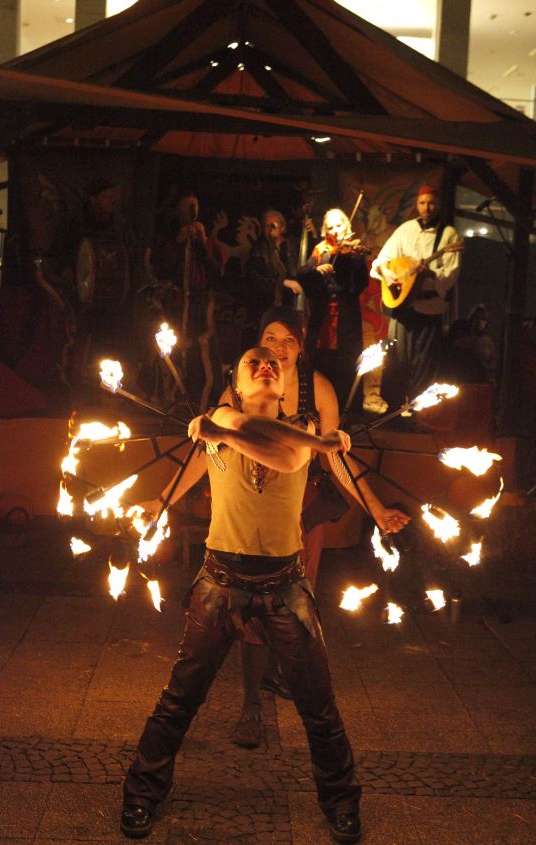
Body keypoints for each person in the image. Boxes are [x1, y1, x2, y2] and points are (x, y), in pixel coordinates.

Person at [121, 347, 363, 843]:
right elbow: (250, 432)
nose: (266, 365)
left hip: (285, 584)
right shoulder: (224, 414)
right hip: (221, 580)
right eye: (254, 361)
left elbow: (287, 456)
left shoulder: (295, 429)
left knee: (318, 705)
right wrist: (164, 495)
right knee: (180, 697)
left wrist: (308, 440)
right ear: (236, 383)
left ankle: (341, 803)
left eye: (274, 362)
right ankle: (141, 792)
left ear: (286, 383)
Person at [222, 307, 410, 750]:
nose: (278, 348)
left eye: (289, 340)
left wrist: (376, 509)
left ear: (301, 348)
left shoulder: (317, 388)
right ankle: (251, 704)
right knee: (252, 604)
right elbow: (217, 444)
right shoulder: (241, 382)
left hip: (304, 503)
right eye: (270, 338)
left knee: (297, 599)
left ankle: (288, 682)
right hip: (254, 504)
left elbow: (334, 455)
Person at [370, 186, 462, 411]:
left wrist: (429, 273)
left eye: (431, 203)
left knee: (424, 363)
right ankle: (393, 410)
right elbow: (381, 261)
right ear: (417, 205)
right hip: (402, 307)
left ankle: (420, 413)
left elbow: (450, 275)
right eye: (422, 203)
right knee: (395, 358)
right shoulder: (406, 229)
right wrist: (387, 273)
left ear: (438, 204)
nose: (426, 208)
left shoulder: (448, 235)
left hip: (429, 308)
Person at [144, 192, 223, 408]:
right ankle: (170, 390)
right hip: (176, 301)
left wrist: (203, 240)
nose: (191, 211)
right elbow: (161, 265)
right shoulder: (168, 237)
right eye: (187, 207)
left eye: (194, 206)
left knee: (199, 345)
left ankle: (198, 392)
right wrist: (179, 241)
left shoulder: (202, 238)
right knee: (177, 343)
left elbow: (215, 268)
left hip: (198, 301)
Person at [297, 208, 369, 409]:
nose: (335, 231)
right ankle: (319, 405)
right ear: (325, 230)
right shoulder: (321, 249)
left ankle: (348, 408)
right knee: (321, 358)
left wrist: (356, 260)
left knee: (347, 359)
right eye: (330, 227)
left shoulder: (353, 251)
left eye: (339, 225)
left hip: (346, 312)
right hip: (323, 313)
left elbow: (360, 284)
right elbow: (302, 274)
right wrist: (316, 270)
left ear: (346, 226)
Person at [244, 209, 300, 317]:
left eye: (273, 225)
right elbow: (257, 279)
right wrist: (283, 282)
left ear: (282, 227)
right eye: (266, 226)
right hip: (268, 305)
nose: (270, 229)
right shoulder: (258, 250)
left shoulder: (292, 245)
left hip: (291, 302)